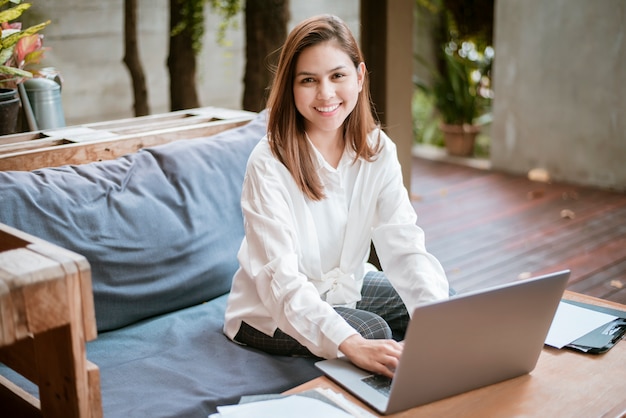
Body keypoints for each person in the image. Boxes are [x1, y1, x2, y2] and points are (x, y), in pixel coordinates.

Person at [224, 14, 449, 379]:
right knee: (371, 333)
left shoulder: (378, 151)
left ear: (359, 77)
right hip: (269, 311)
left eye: (337, 76)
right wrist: (352, 343)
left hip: (345, 290)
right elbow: (281, 282)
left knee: (438, 305)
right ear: (291, 87)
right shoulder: (268, 162)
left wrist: (440, 320)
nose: (325, 93)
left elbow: (404, 245)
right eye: (308, 80)